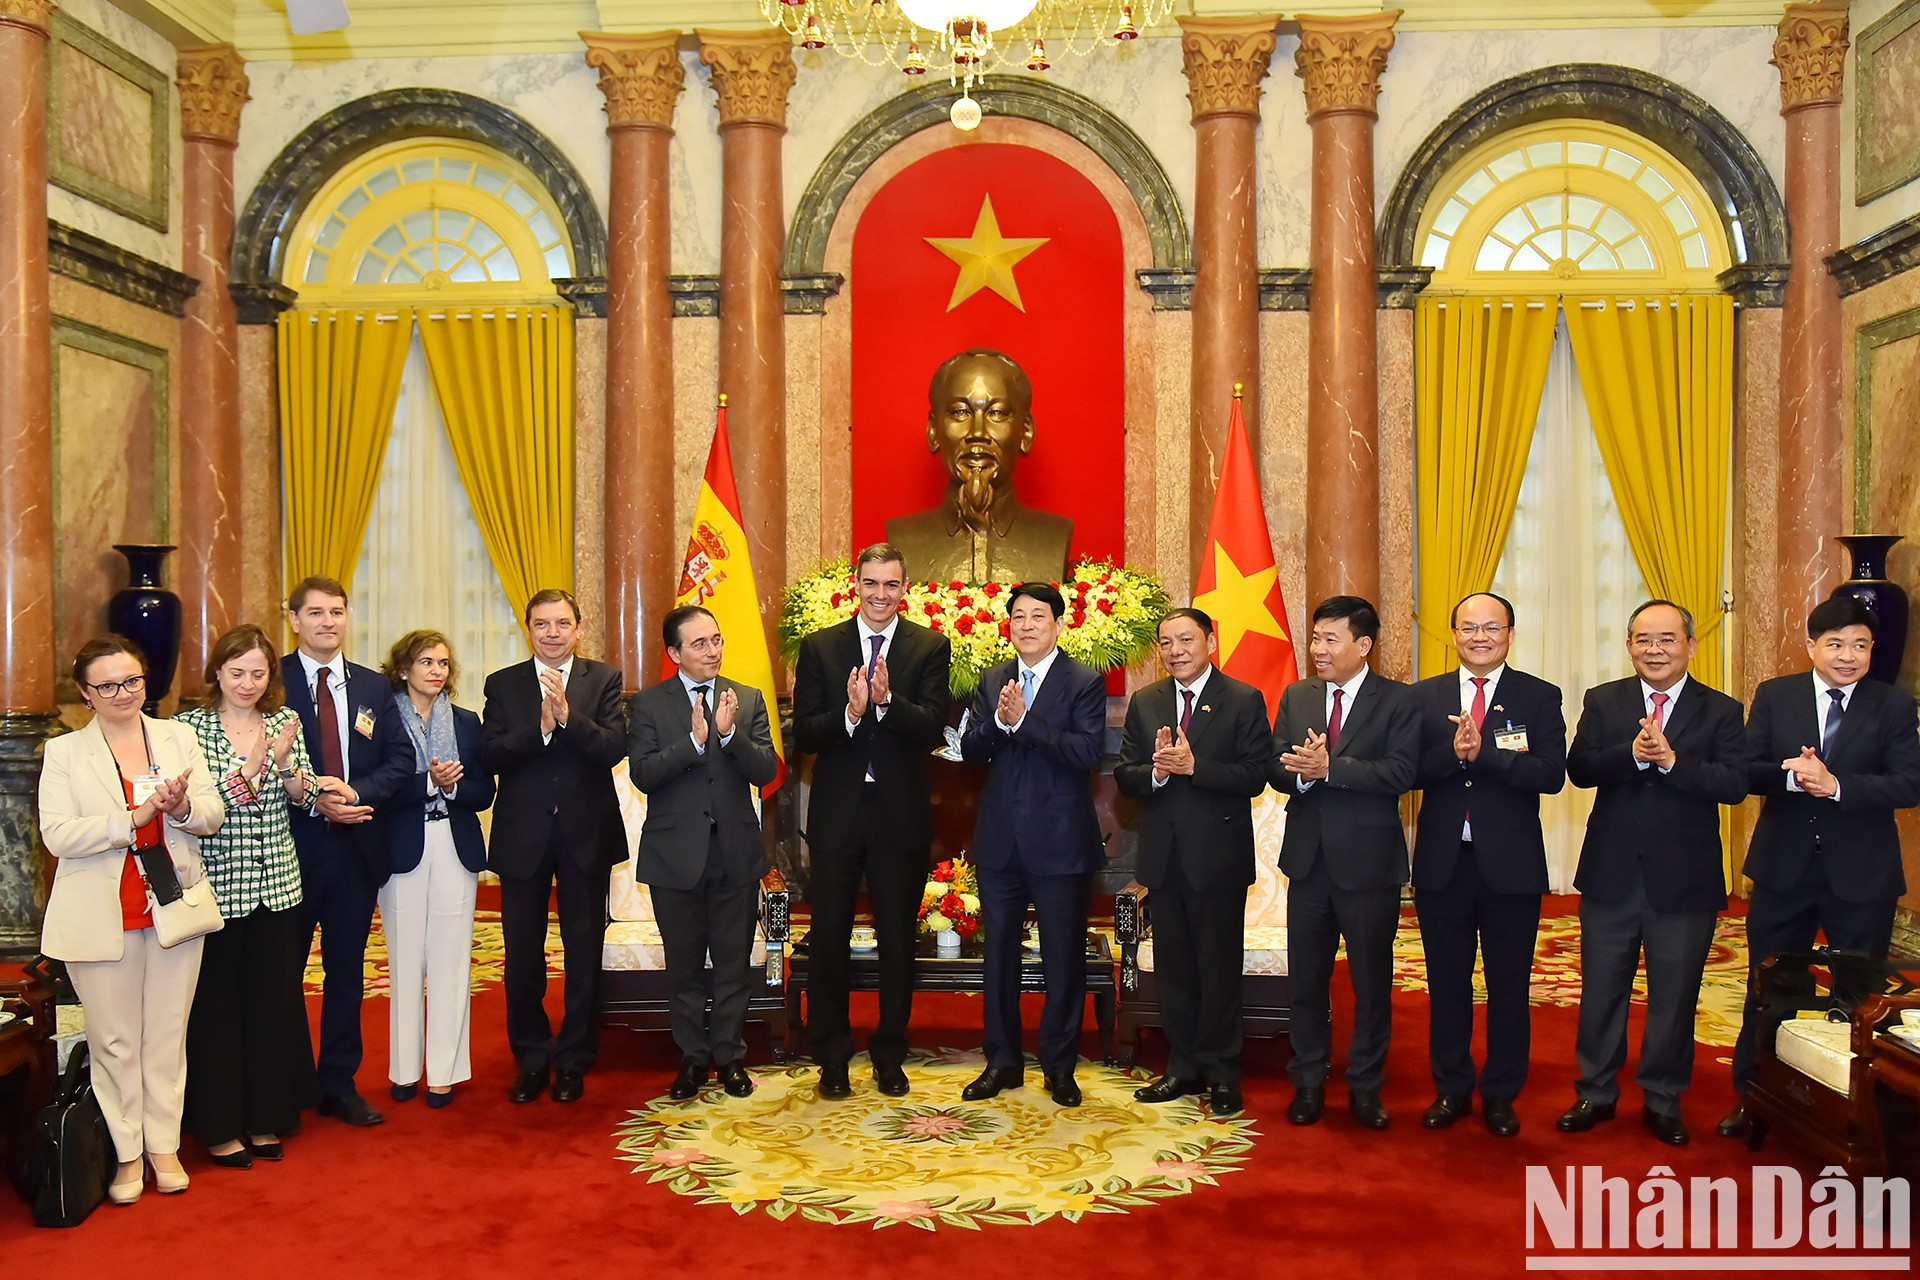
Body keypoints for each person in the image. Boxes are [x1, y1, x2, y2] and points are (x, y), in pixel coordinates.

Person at [1718, 596, 1920, 1139]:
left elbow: (1910, 783)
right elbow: (1746, 769)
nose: (1847, 655)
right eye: (1835, 644)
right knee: (1769, 985)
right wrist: (1792, 777)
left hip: (1862, 875)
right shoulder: (1776, 696)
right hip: (1785, 869)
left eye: (1860, 645)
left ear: (1872, 651)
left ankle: (1857, 1112)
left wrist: (1839, 786)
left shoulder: (1892, 707)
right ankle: (1754, 1095)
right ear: (1811, 647)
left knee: (1857, 994)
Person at [39, 635, 225, 1203]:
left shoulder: (178, 736)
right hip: (100, 913)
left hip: (172, 905)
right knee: (115, 1040)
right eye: (109, 685)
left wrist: (182, 808)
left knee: (166, 1035)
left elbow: (213, 813)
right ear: (84, 693)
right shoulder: (65, 753)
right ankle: (124, 1154)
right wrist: (134, 816)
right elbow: (58, 834)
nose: (124, 693)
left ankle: (163, 1146)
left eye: (134, 681)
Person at [1558, 599, 1748, 1147]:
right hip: (1612, 874)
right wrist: (1633, 754)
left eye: (1667, 639)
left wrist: (1673, 762)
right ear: (1628, 645)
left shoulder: (1721, 710)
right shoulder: (1605, 700)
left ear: (1690, 645)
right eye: (1644, 639)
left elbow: (1735, 784)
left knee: (1675, 995)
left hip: (1683, 879)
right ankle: (1595, 1091)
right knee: (1601, 992)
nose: (1655, 649)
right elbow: (1579, 768)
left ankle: (1662, 1098)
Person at [792, 543, 952, 1098]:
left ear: (904, 588)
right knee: (829, 939)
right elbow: (806, 733)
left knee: (897, 944)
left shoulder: (930, 646)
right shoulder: (821, 647)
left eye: (891, 585)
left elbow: (934, 726)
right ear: (854, 585)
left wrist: (886, 705)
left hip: (899, 817)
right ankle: (831, 1057)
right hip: (838, 816)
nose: (880, 595)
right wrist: (851, 713)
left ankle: (889, 1053)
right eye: (871, 584)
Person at [1409, 593, 1566, 1138]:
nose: (1480, 637)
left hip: (1511, 867)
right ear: (1452, 634)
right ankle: (1451, 1089)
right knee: (1446, 984)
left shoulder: (1539, 696)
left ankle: (1501, 1094)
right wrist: (1454, 755)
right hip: (1442, 865)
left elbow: (1550, 774)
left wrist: (1485, 755)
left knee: (1508, 987)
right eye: (1469, 627)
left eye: (1491, 627)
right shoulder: (1424, 697)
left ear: (1510, 633)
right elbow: (1407, 773)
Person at [1114, 607, 1274, 1116]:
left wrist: (1195, 767)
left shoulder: (1243, 699)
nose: (1176, 650)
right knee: (1176, 970)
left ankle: (1223, 1072)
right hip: (1164, 858)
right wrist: (1158, 774)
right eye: (1166, 642)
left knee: (1218, 968)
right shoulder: (1146, 702)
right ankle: (1182, 1067)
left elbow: (1255, 775)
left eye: (1186, 639)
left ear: (1211, 640)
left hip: (1218, 859)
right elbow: (1125, 774)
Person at [176, 625, 321, 1169]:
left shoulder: (285, 721)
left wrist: (285, 767)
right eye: (237, 673)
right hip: (215, 888)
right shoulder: (188, 728)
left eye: (258, 674)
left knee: (273, 1004)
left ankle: (267, 1117)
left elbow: (305, 798)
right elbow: (205, 809)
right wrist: (253, 768)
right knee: (216, 1008)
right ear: (216, 672)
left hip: (279, 886)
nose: (248, 683)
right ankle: (218, 1125)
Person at [958, 582, 1108, 1108]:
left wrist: (1026, 722)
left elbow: (1088, 751)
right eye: (1017, 616)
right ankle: (1002, 1062)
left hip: (1060, 843)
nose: (1026, 625)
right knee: (996, 957)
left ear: (1059, 624)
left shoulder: (1084, 682)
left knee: (1061, 959)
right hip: (1000, 842)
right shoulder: (993, 678)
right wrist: (999, 723)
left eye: (1037, 616)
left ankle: (1060, 1067)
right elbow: (971, 750)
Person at [1274, 595, 1420, 1130]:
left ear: (1364, 645)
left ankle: (1365, 1085)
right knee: (1306, 983)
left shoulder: (1398, 701)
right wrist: (1299, 773)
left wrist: (1331, 767)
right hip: (1309, 864)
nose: (1318, 649)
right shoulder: (1298, 695)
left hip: (1368, 866)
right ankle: (1308, 1082)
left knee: (1371, 984)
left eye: (1330, 639)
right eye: (1315, 638)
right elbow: (1275, 764)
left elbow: (1401, 773)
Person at [480, 588, 628, 1104]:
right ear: (529, 630)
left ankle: (574, 1059)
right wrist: (539, 730)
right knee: (522, 956)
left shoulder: (603, 679)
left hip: (585, 833)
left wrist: (568, 720)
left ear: (578, 627)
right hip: (524, 835)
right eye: (541, 624)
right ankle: (532, 1058)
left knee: (583, 954)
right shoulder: (503, 684)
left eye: (562, 623)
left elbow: (613, 748)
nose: (552, 633)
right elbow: (490, 754)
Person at [627, 605, 779, 1101]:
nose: (713, 650)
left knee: (733, 965)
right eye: (700, 644)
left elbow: (764, 772)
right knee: (685, 966)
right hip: (676, 857)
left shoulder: (748, 698)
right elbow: (643, 775)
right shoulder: (650, 705)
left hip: (734, 853)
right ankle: (692, 1060)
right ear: (674, 653)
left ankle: (731, 1058)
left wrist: (730, 734)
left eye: (716, 639)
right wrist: (693, 742)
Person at [282, 576, 415, 1127]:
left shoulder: (371, 687)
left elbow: (398, 761)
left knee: (346, 972)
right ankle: (284, 1083)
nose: (327, 622)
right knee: (283, 974)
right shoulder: (271, 682)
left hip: (356, 850)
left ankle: (338, 1081)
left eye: (336, 612)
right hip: (287, 853)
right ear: (294, 620)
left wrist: (355, 795)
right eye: (315, 613)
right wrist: (319, 801)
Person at [376, 630, 494, 1109]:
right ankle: (404, 1070)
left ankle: (444, 1072)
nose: (436, 671)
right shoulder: (382, 719)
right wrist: (427, 783)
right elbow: (378, 787)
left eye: (443, 663)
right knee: (404, 961)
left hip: (455, 844)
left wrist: (450, 789)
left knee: (451, 961)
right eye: (426, 662)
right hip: (401, 845)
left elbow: (483, 792)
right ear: (403, 669)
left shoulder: (467, 723)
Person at [884, 348, 1073, 584]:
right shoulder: (904, 538)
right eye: (960, 412)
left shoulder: (1054, 537)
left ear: (1026, 431)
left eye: (997, 413)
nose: (977, 433)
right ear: (933, 431)